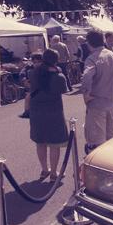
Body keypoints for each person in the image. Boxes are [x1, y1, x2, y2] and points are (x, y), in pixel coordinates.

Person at [29, 49, 68, 181]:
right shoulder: (59, 77)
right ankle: (54, 173)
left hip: (36, 111)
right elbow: (63, 89)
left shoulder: (33, 73)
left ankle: (44, 170)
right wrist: (58, 71)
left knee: (40, 142)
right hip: (54, 110)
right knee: (54, 143)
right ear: (56, 60)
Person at [81, 30, 113, 154]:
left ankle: (99, 168)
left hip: (97, 102)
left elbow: (86, 77)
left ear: (89, 43)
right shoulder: (112, 55)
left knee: (97, 140)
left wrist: (86, 94)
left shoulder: (91, 59)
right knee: (112, 137)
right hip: (112, 100)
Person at [19, 52, 43, 118]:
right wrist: (24, 80)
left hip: (44, 86)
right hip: (33, 86)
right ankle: (27, 112)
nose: (36, 64)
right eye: (34, 62)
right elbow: (22, 73)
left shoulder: (45, 67)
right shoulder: (29, 66)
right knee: (28, 97)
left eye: (39, 62)